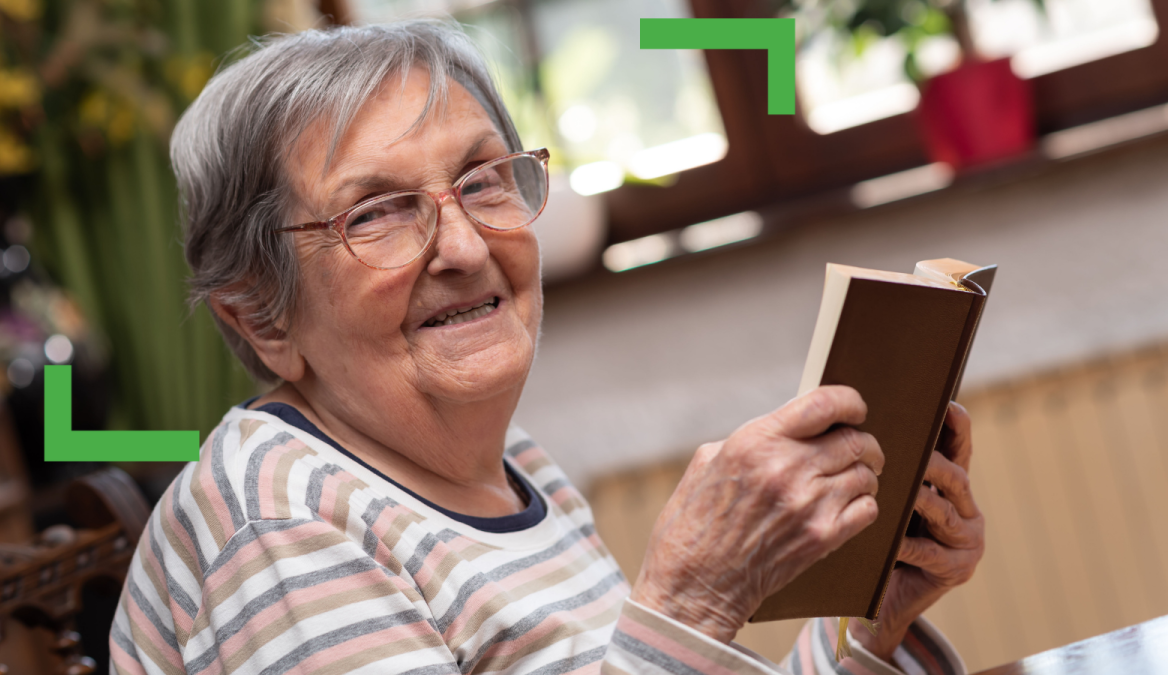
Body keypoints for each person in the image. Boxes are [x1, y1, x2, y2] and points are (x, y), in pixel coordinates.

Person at [109, 20, 984, 675]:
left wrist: (870, 623)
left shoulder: (506, 459)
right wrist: (692, 601)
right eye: (375, 212)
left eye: (482, 180)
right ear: (261, 315)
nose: (463, 245)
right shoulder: (279, 525)